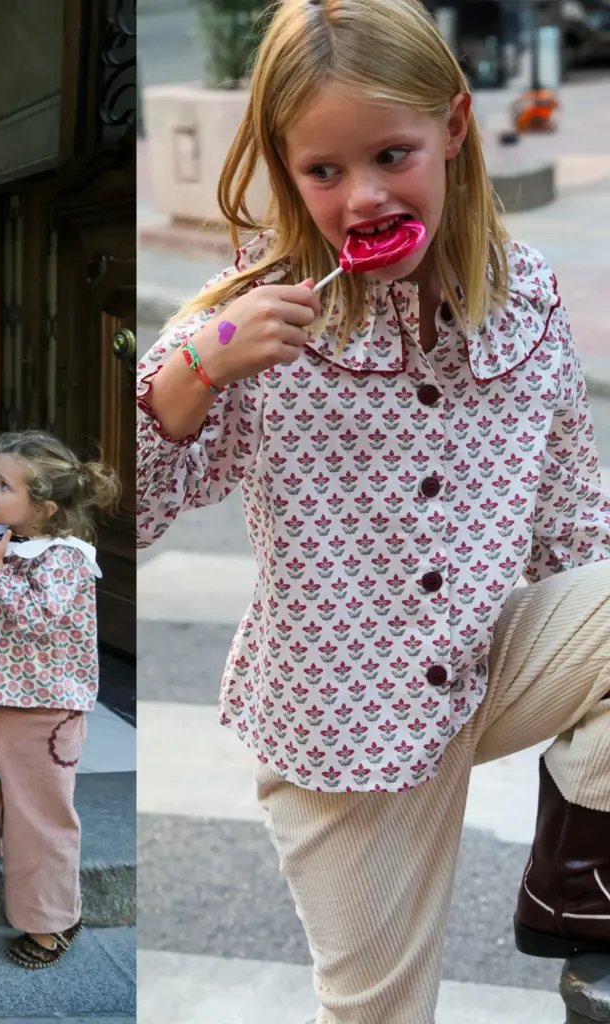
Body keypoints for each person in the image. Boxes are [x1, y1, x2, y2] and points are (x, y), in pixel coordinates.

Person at [136, 0, 610, 1021]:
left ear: (453, 128)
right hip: (339, 730)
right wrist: (195, 372)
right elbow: (122, 516)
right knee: (378, 1013)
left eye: (391, 154)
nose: (361, 196)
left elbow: (577, 522)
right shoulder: (247, 318)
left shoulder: (522, 295)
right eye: (323, 171)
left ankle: (576, 884)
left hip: (491, 665)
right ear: (284, 166)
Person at [0, 431, 119, 969]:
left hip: (44, 712)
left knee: (40, 817)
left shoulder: (68, 560)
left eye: (3, 485)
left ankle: (52, 921)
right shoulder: (4, 537)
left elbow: (35, 620)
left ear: (44, 507)